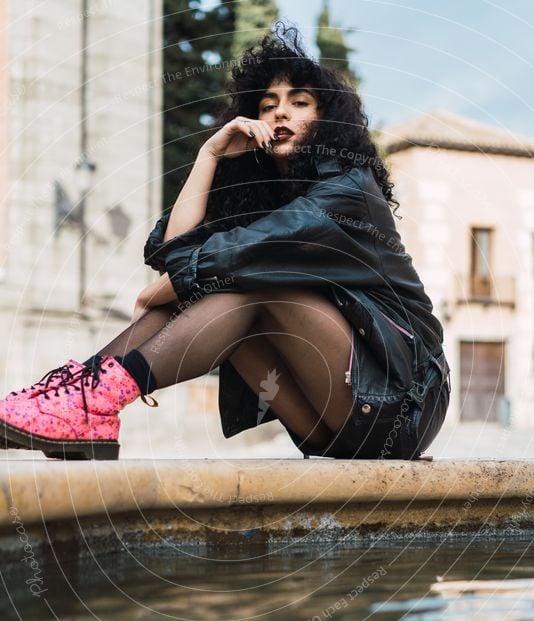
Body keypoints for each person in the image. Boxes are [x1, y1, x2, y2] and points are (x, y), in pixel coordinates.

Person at [0, 22, 450, 462]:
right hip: (325, 423)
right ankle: (76, 397)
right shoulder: (266, 200)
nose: (280, 112)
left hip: (403, 400)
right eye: (268, 103)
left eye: (299, 102)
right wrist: (210, 155)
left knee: (252, 282)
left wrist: (166, 286)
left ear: (328, 118)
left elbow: (222, 260)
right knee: (228, 278)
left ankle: (90, 401)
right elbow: (171, 251)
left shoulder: (348, 191)